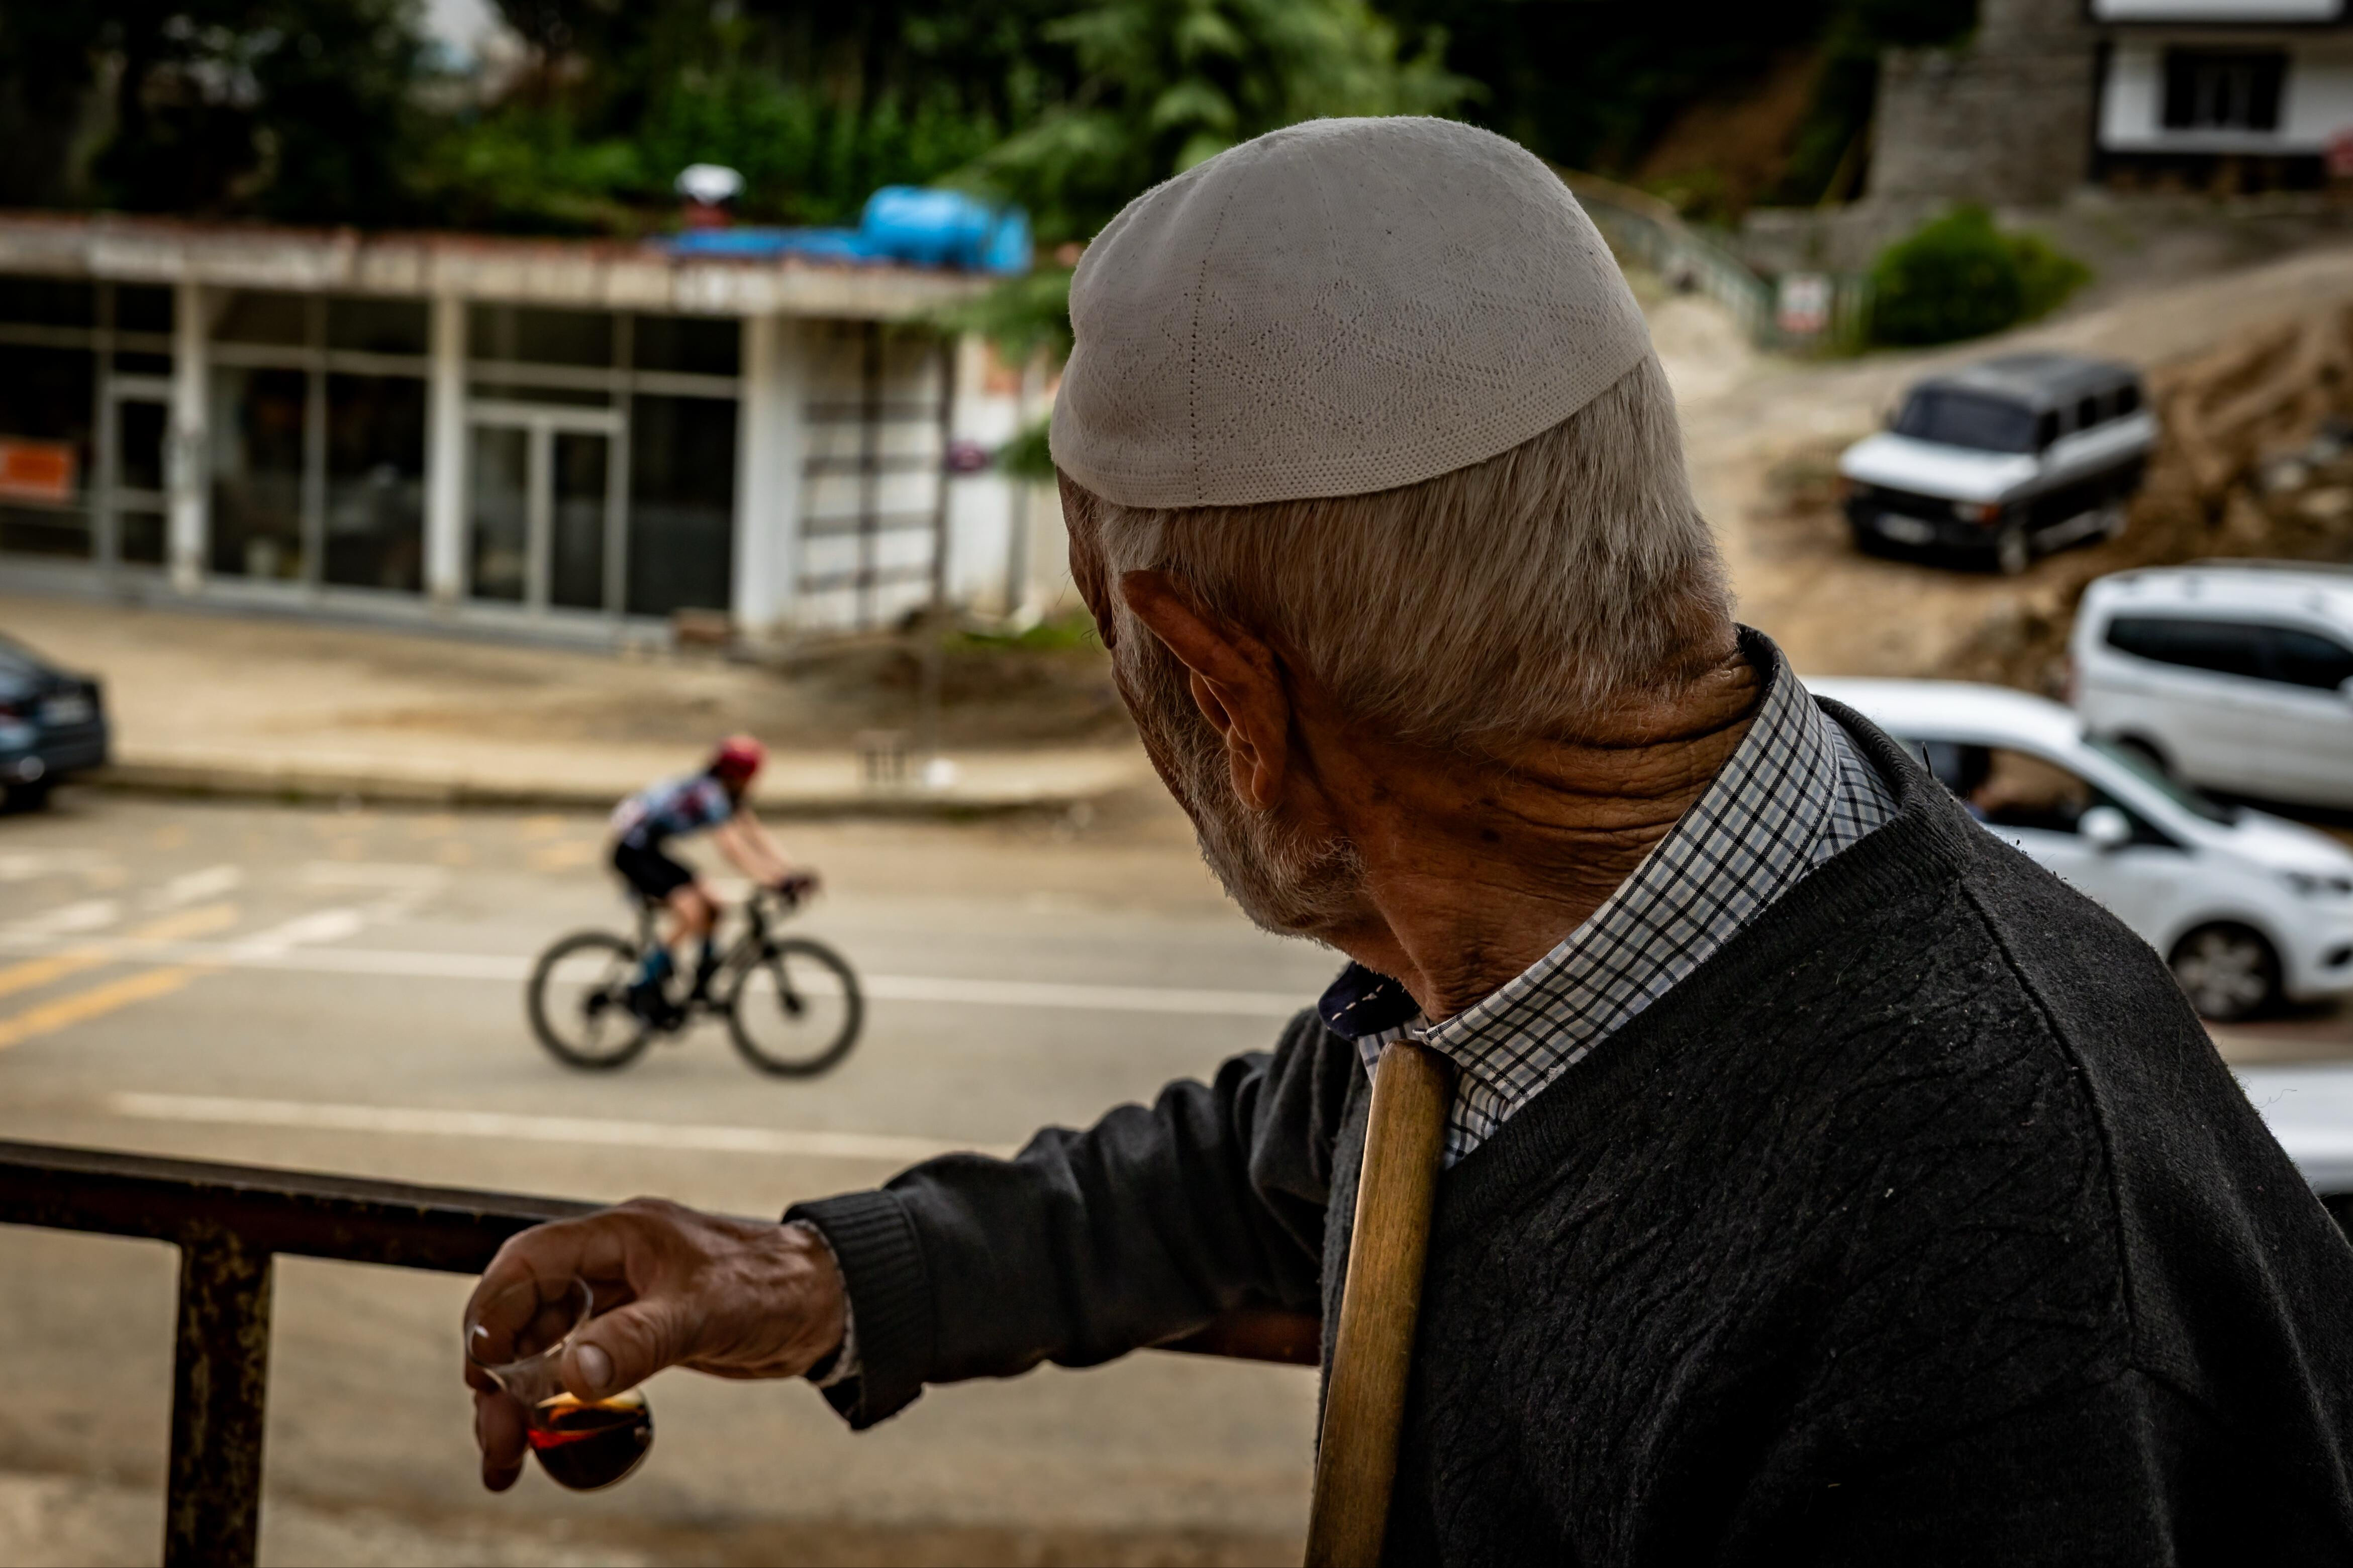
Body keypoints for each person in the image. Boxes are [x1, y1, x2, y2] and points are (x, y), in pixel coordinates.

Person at [469, 120, 2353, 1561]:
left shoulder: (1972, 1287)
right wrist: (818, 1276)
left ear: (1229, 699)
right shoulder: (1535, 965)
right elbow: (1252, 1166)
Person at [608, 735, 813, 1022]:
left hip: (653, 848)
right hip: (633, 850)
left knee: (714, 904)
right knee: (692, 912)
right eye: (751, 777)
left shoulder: (728, 793)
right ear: (736, 775)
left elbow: (756, 835)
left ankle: (701, 981)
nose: (754, 783)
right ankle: (641, 987)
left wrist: (791, 871)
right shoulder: (710, 795)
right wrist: (773, 881)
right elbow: (732, 849)